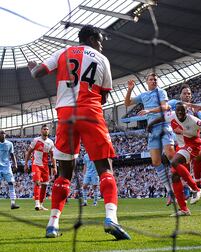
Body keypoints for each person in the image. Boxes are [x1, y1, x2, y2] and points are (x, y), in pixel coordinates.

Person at [28, 25, 130, 240]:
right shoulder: (102, 59)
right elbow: (104, 97)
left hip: (66, 115)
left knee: (64, 173)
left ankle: (52, 225)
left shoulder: (63, 52)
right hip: (91, 112)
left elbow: (38, 73)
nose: (101, 44)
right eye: (100, 40)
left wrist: (32, 67)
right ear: (92, 38)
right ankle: (111, 218)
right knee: (105, 168)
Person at [147, 102, 201, 216]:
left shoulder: (194, 121)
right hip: (182, 147)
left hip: (193, 146)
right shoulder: (171, 115)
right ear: (175, 111)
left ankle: (196, 189)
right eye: (178, 111)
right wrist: (150, 125)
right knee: (175, 176)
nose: (180, 113)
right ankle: (184, 210)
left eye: (182, 111)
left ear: (186, 111)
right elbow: (161, 118)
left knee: (175, 161)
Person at [124, 75, 175, 205]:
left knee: (170, 155)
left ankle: (183, 184)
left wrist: (148, 110)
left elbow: (165, 107)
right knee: (156, 161)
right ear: (147, 82)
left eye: (155, 79)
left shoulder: (161, 92)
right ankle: (170, 191)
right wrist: (130, 89)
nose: (153, 81)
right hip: (152, 131)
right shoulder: (143, 95)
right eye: (151, 80)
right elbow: (127, 103)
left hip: (163, 126)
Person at [24, 124, 56, 211]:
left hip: (45, 166)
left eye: (47, 129)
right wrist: (26, 164)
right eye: (44, 129)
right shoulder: (36, 140)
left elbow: (52, 156)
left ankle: (41, 204)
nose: (46, 130)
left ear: (48, 131)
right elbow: (29, 152)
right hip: (36, 164)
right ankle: (37, 203)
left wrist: (55, 167)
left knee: (45, 185)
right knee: (37, 182)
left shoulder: (50, 142)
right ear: (41, 131)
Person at [0, 130, 20, 209]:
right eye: (1, 133)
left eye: (4, 133)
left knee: (11, 183)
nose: (3, 134)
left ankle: (13, 203)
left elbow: (12, 154)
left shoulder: (9, 144)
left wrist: (15, 164)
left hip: (6, 167)